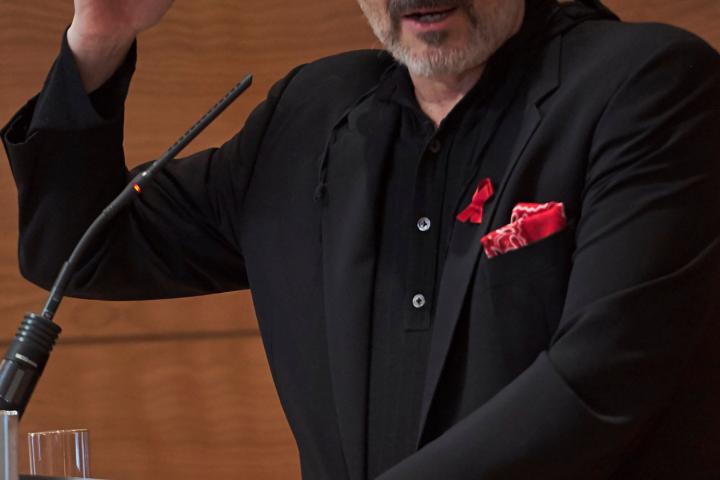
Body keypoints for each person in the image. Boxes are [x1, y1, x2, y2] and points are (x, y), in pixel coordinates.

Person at [2, 0, 720, 478]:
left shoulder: (646, 86)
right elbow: (77, 249)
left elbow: (599, 381)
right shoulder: (308, 118)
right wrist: (101, 37)